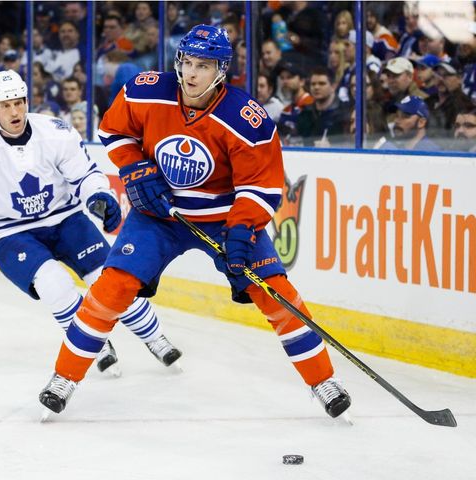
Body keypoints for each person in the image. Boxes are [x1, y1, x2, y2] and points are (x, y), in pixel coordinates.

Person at [39, 25, 352, 419]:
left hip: (224, 219)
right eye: (186, 62)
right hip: (159, 216)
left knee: (277, 294)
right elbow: (113, 129)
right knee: (111, 288)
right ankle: (64, 377)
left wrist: (241, 230)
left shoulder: (245, 120)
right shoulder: (146, 89)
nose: (190, 73)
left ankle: (322, 380)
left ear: (221, 70)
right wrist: (135, 169)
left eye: (202, 65)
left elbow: (262, 186)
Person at [0, 70, 182, 377]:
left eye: (18, 102)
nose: (14, 111)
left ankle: (155, 338)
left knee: (110, 280)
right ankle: (94, 345)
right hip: (10, 232)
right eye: (4, 105)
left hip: (66, 219)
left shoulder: (55, 132)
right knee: (54, 284)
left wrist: (98, 195)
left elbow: (85, 175)